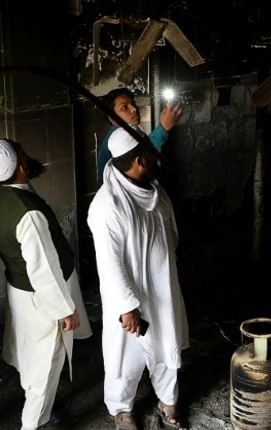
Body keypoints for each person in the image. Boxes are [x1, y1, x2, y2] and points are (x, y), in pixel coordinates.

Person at [0, 138, 93, 430]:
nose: (28, 157)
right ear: (20, 167)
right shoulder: (29, 214)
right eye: (23, 154)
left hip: (19, 291)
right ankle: (32, 424)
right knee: (45, 365)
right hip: (42, 299)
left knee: (31, 357)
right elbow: (44, 269)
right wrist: (64, 311)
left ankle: (44, 409)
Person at [87, 128, 189, 430]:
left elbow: (170, 234)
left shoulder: (153, 189)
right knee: (126, 357)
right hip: (128, 297)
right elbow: (109, 262)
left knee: (165, 342)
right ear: (140, 161)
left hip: (162, 284)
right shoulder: (107, 205)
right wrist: (127, 305)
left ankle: (167, 399)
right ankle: (122, 409)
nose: (156, 155)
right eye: (150, 151)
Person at [96, 87, 183, 187]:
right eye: (125, 107)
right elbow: (143, 150)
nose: (134, 109)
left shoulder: (129, 132)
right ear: (111, 118)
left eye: (133, 103)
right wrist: (163, 128)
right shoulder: (115, 141)